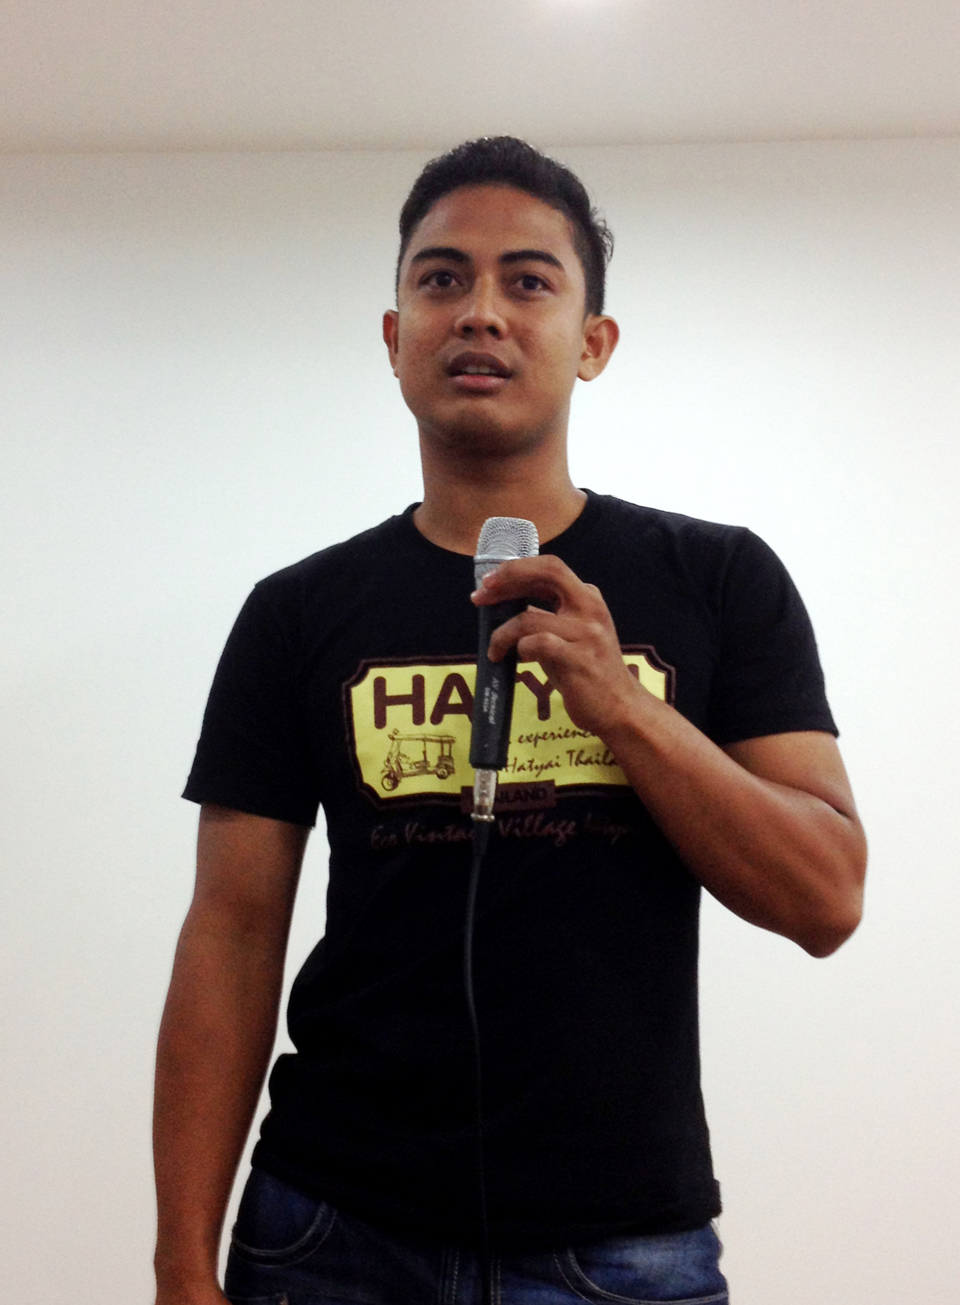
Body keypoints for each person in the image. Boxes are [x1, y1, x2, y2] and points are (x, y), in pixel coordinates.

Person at [153, 137, 866, 1305]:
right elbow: (230, 936)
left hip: (621, 1250)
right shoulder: (298, 613)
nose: (480, 310)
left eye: (529, 281)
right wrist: (180, 1259)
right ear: (396, 337)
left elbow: (825, 897)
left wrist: (623, 706)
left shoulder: (719, 580)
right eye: (442, 279)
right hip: (329, 1233)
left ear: (593, 342)